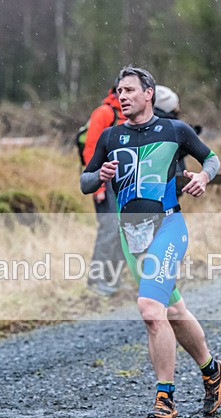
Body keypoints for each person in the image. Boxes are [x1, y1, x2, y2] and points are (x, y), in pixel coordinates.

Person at [80, 66, 221, 418]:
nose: (123, 96)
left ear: (149, 94)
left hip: (168, 227)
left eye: (130, 90)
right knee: (173, 312)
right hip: (130, 235)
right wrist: (97, 176)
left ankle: (165, 397)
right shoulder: (110, 137)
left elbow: (212, 158)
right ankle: (213, 370)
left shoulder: (173, 129)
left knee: (150, 309)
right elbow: (85, 181)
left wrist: (203, 178)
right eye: (120, 91)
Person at [82, 83, 127, 297]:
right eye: (124, 90)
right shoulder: (104, 113)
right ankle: (96, 280)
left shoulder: (130, 114)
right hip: (104, 181)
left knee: (123, 231)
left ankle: (113, 279)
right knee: (108, 230)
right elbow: (91, 150)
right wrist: (98, 186)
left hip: (123, 182)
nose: (127, 94)